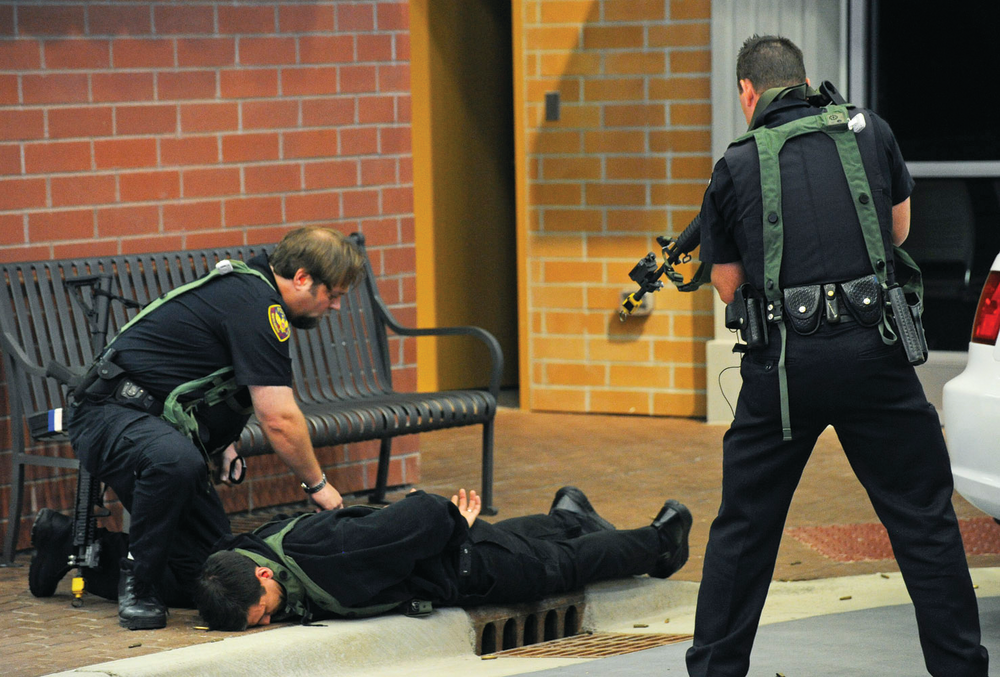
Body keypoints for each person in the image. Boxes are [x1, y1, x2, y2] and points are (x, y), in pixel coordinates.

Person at [688, 34, 988, 677]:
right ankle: (961, 667)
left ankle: (714, 670)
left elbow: (728, 284)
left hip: (785, 372)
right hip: (875, 355)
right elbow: (899, 231)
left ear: (748, 92)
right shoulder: (870, 132)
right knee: (923, 519)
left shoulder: (735, 164)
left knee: (744, 529)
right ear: (801, 79)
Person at [28, 227, 367, 631]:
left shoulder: (253, 294)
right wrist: (317, 485)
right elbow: (278, 418)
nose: (336, 307)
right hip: (107, 412)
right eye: (335, 294)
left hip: (149, 421)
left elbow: (214, 380)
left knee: (214, 578)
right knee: (175, 461)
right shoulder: (258, 304)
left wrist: (224, 440)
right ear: (302, 279)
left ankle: (64, 543)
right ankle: (141, 584)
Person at [195, 486, 692, 631]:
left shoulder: (332, 557)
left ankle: (662, 540)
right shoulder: (239, 560)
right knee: (519, 539)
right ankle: (572, 514)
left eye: (262, 612)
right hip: (453, 556)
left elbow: (424, 513)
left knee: (558, 567)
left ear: (264, 574)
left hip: (465, 568)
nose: (265, 623)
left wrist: (453, 521)